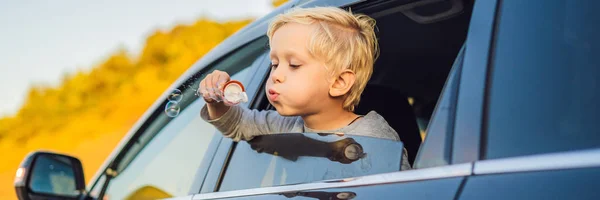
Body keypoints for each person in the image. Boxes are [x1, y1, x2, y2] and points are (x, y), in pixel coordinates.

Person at [199, 6, 411, 170]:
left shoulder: (373, 135)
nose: (276, 76)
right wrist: (216, 101)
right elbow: (237, 124)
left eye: (294, 65)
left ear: (338, 83)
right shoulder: (286, 126)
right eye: (274, 64)